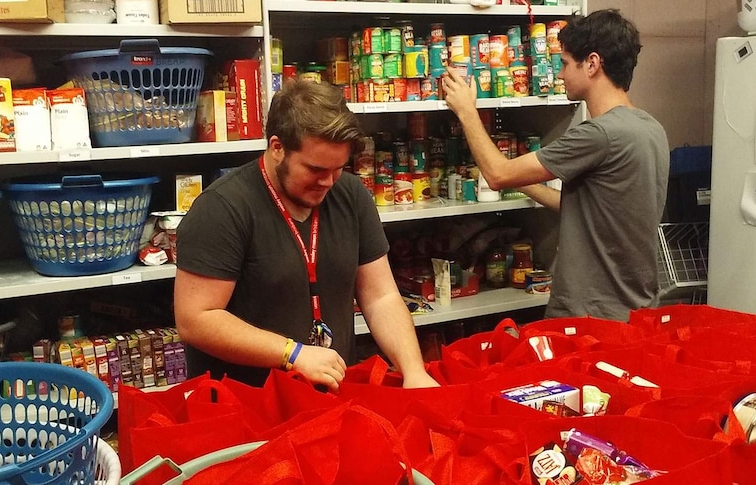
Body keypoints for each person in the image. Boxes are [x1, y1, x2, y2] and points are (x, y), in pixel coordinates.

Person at [174, 79, 439, 390]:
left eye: (338, 167)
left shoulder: (351, 195)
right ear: (277, 148)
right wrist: (292, 353)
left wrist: (413, 371)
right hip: (249, 408)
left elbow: (380, 296)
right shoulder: (222, 209)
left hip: (331, 399)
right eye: (315, 169)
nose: (328, 182)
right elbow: (196, 320)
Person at [442, 9, 670, 322]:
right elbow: (591, 210)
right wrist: (522, 179)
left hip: (590, 316)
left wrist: (466, 111)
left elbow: (496, 175)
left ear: (592, 63)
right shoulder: (650, 127)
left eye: (564, 63)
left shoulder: (600, 134)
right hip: (634, 310)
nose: (560, 75)